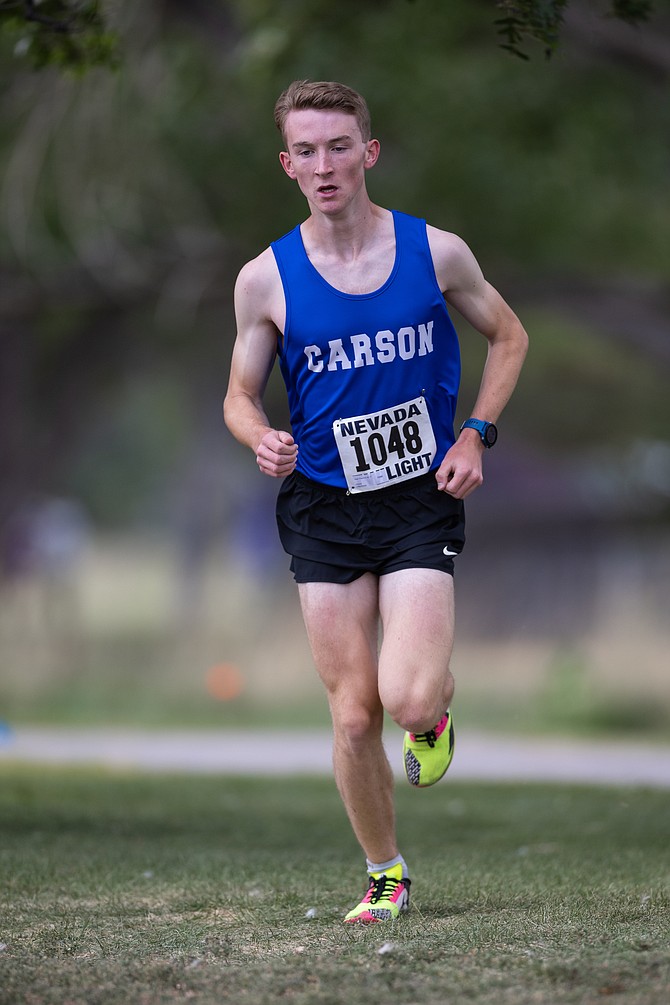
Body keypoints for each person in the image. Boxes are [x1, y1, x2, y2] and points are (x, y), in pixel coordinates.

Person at [224, 80, 528, 924]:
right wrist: (258, 434)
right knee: (354, 714)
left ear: (369, 152)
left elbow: (509, 335)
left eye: (339, 147)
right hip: (321, 505)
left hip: (416, 500)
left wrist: (475, 435)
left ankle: (433, 712)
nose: (325, 166)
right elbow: (238, 395)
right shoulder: (265, 279)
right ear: (288, 165)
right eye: (307, 152)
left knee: (408, 700)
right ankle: (385, 873)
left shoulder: (438, 253)